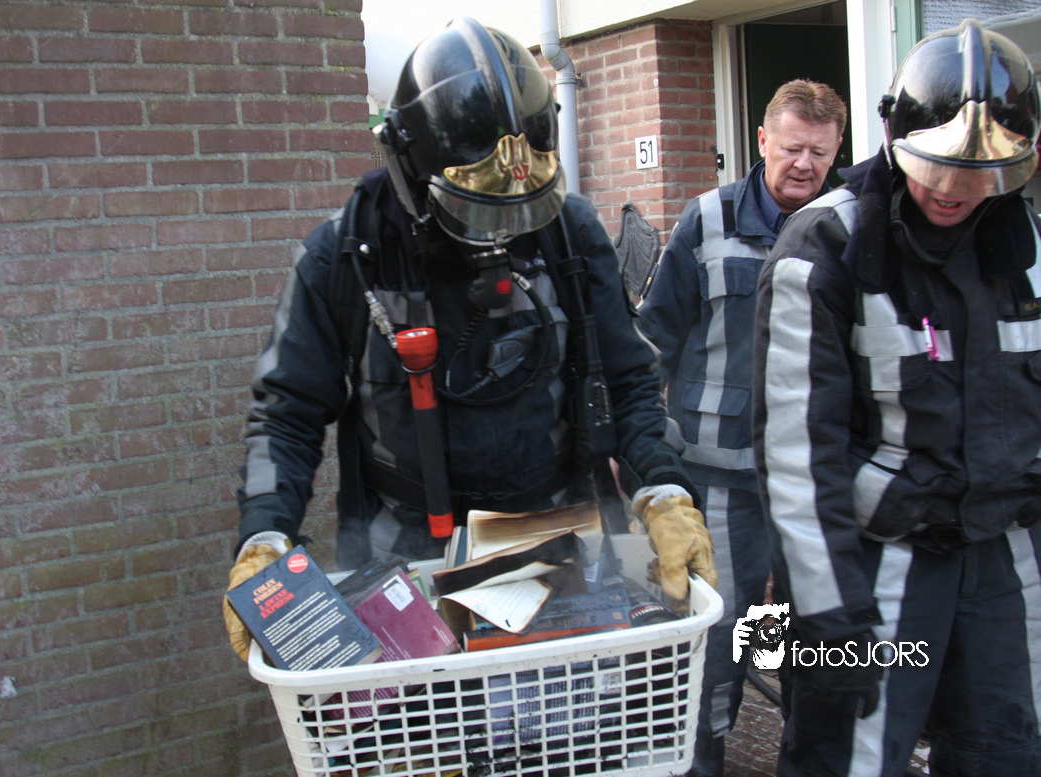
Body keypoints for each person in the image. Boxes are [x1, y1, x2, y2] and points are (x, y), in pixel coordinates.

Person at [221, 17, 717, 679]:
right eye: (482, 211)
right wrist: (264, 532)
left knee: (562, 717)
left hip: (558, 536)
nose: (504, 232)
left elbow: (627, 380)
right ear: (410, 169)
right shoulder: (345, 257)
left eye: (523, 210)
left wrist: (662, 488)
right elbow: (285, 414)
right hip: (405, 559)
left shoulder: (567, 234)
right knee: (423, 725)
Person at [753, 19, 1041, 777]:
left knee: (1009, 754)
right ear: (895, 138)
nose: (953, 190)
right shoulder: (824, 248)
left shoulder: (1026, 249)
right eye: (937, 167)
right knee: (849, 758)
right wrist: (829, 619)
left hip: (1004, 561)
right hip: (877, 566)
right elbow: (796, 459)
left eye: (979, 174)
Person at [639, 79, 846, 776]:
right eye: (792, 148)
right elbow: (653, 340)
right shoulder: (706, 220)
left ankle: (800, 756)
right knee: (719, 630)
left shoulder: (849, 228)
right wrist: (641, 448)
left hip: (814, 484)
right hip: (720, 482)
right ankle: (703, 759)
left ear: (837, 149)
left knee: (803, 631)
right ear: (762, 141)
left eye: (820, 152)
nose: (805, 164)